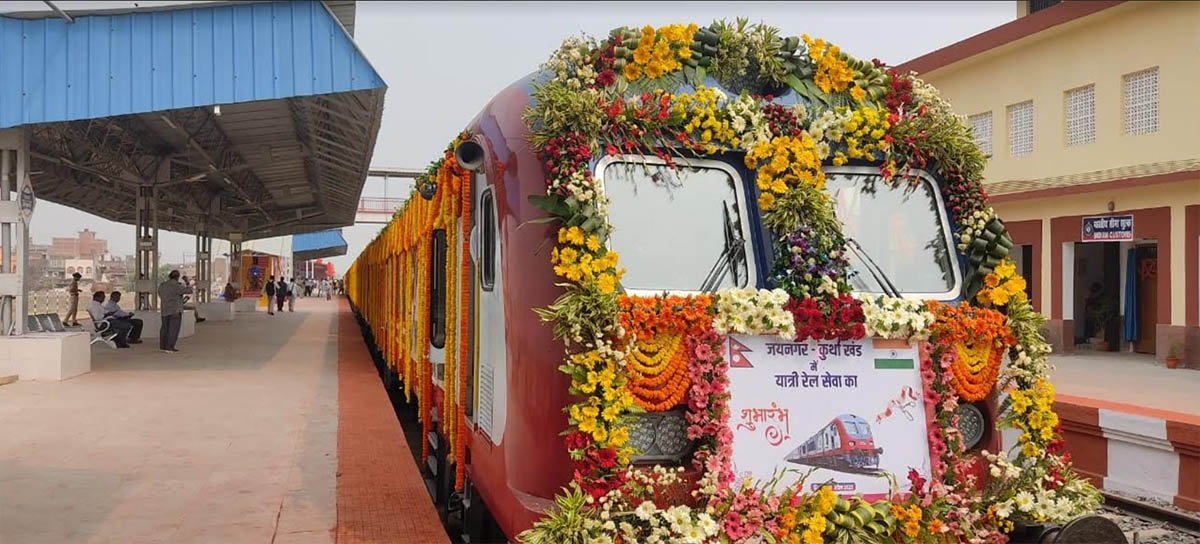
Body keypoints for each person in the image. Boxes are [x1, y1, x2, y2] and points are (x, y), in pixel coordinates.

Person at [157, 270, 193, 353]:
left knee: (164, 328)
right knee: (173, 329)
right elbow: (189, 291)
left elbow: (160, 294)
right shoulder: (177, 286)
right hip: (175, 310)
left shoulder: (162, 285)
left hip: (165, 309)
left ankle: (162, 346)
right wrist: (187, 281)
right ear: (177, 277)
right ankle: (170, 347)